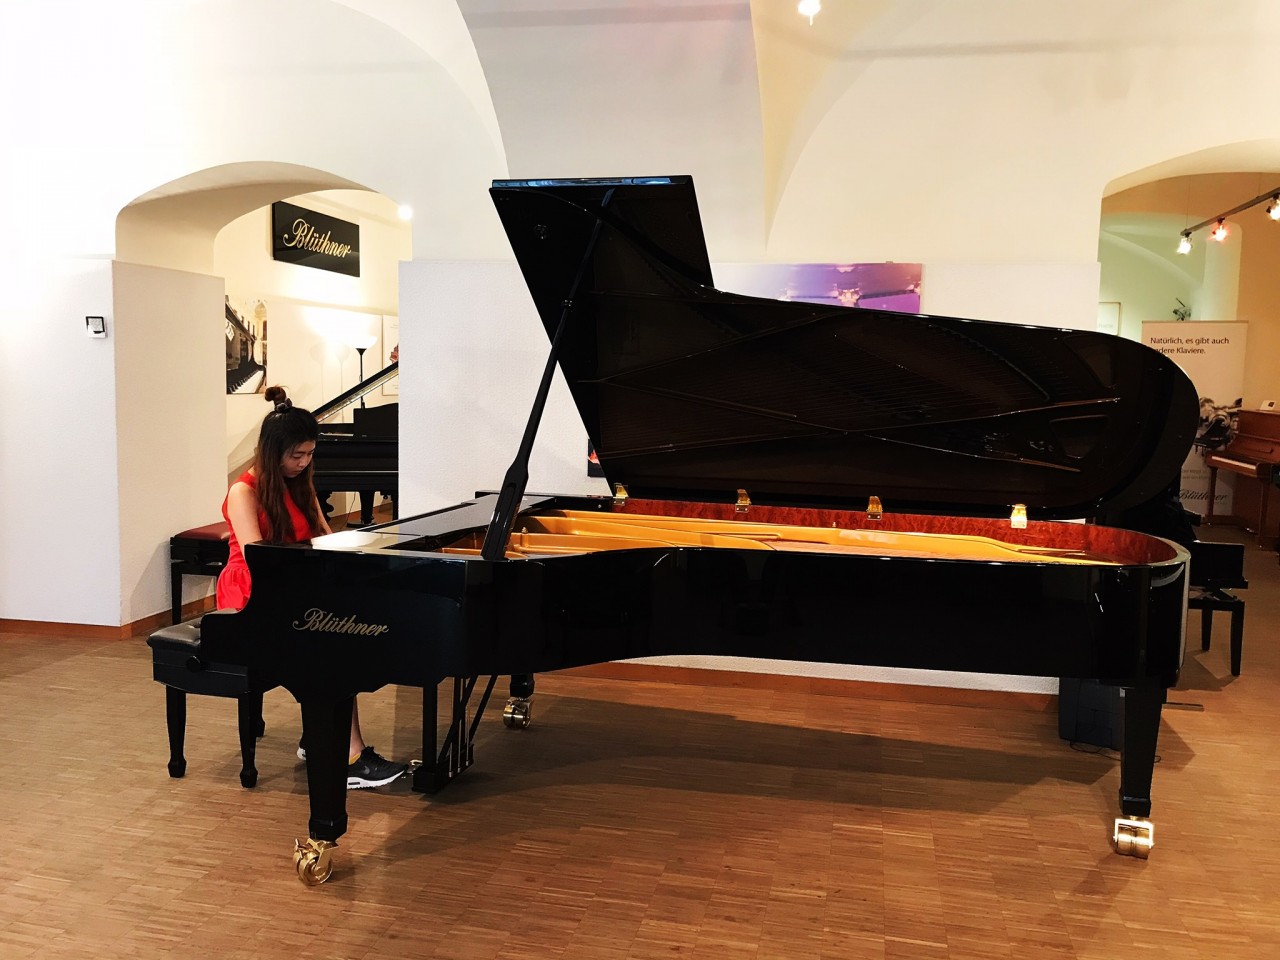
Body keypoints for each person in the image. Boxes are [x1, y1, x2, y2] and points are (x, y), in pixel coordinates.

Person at [217, 386, 406, 789]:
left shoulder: (299, 485)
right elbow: (259, 560)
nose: (304, 463)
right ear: (273, 452)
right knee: (335, 648)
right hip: (252, 594)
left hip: (292, 586)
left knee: (350, 630)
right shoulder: (243, 492)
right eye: (296, 456)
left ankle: (322, 737)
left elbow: (323, 536)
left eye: (309, 454)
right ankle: (348, 757)